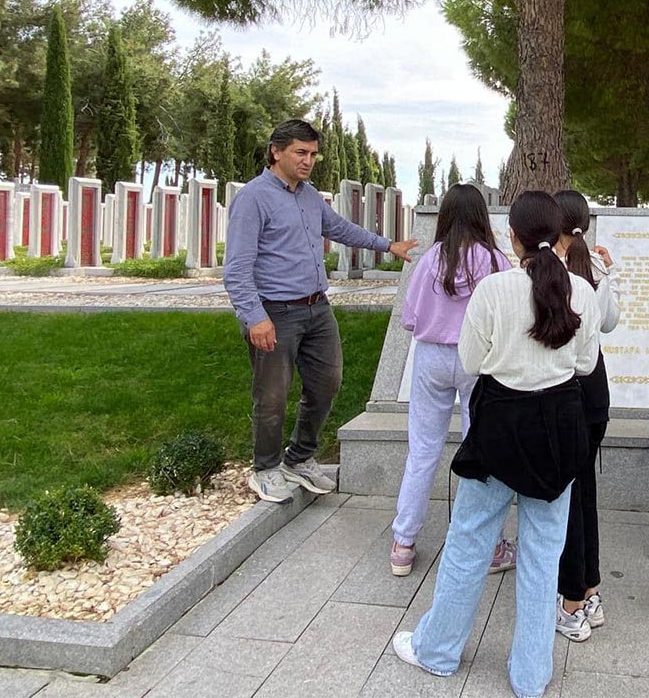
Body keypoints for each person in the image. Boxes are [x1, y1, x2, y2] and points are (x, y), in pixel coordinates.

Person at [392, 191, 600, 698]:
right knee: (542, 554)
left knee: (469, 540)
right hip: (559, 426)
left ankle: (438, 650)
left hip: (501, 425)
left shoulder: (493, 289)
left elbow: (470, 360)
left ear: (513, 236)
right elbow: (586, 365)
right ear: (563, 235)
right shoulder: (582, 292)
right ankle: (531, 676)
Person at [224, 118, 418, 504]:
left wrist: (388, 245)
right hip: (274, 312)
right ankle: (265, 469)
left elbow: (340, 229)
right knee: (272, 396)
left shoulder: (309, 196)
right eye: (300, 152)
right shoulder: (254, 198)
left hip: (317, 309)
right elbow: (236, 268)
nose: (308, 160)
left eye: (313, 154)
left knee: (327, 383)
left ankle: (299, 458)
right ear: (276, 151)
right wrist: (254, 316)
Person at [389, 184, 515, 578]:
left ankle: (403, 543)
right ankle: (489, 545)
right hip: (480, 360)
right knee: (480, 451)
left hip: (430, 358)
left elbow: (410, 318)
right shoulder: (496, 262)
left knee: (423, 449)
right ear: (482, 216)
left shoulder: (428, 261)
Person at [552, 189, 621, 642]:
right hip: (597, 393)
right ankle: (591, 589)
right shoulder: (596, 267)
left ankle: (572, 601)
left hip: (567, 392)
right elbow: (610, 322)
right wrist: (610, 275)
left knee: (568, 499)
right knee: (585, 491)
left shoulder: (550, 273)